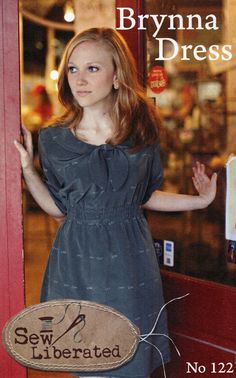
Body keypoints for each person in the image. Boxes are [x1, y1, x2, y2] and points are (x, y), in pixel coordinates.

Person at [14, 28, 217, 378]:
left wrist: (200, 201)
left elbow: (147, 196)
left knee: (132, 354)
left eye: (92, 69)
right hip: (79, 258)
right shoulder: (53, 139)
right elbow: (60, 208)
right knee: (89, 357)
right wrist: (28, 172)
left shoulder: (142, 132)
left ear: (117, 76)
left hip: (130, 260)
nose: (79, 79)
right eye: (73, 69)